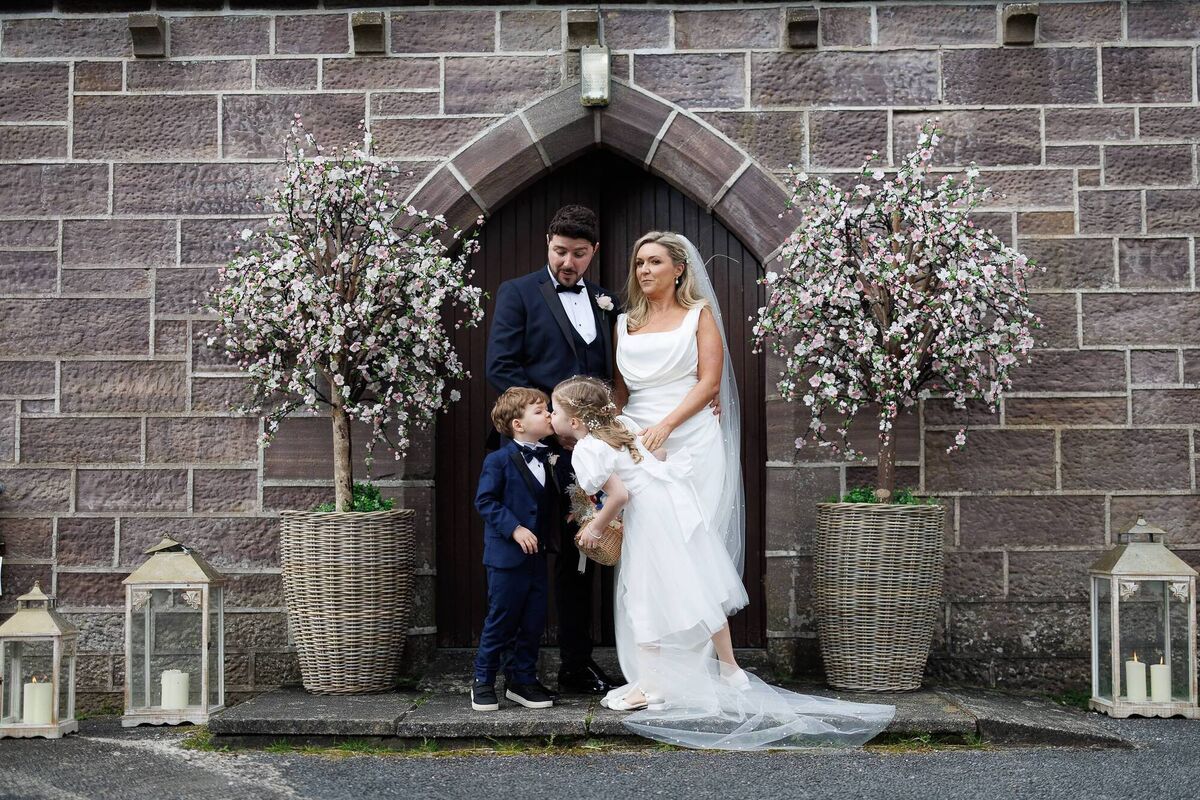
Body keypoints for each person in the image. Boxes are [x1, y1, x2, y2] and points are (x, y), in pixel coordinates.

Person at [553, 231, 895, 750]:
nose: (644, 271)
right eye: (639, 262)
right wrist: (618, 438)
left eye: (655, 262)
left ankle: (705, 664)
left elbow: (709, 381)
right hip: (639, 441)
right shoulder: (623, 323)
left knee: (690, 541)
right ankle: (656, 670)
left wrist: (666, 425)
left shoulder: (699, 316)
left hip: (688, 434)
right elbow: (619, 393)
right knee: (648, 549)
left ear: (679, 270)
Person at [485, 205, 621, 696]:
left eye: (579, 255)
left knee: (582, 555)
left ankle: (576, 664)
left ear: (593, 253)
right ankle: (512, 671)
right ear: (547, 243)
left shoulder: (609, 300)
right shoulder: (518, 293)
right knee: (524, 558)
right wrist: (552, 425)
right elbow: (501, 368)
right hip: (533, 455)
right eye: (560, 251)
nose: (568, 262)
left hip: (588, 454)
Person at [471, 388, 560, 712]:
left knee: (534, 620)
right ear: (517, 425)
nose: (549, 415)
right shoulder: (498, 460)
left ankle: (521, 680)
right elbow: (485, 501)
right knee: (502, 618)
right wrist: (514, 527)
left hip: (537, 557)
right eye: (540, 411)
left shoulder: (551, 457)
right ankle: (483, 679)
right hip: (506, 558)